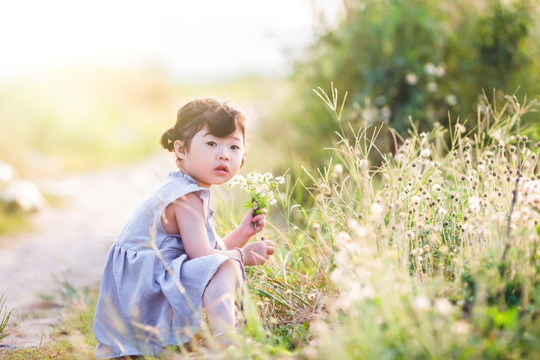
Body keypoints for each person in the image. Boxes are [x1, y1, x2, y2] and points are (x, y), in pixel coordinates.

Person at [93, 97, 276, 358]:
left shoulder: (187, 189)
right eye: (211, 143)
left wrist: (242, 233)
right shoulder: (186, 196)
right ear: (181, 149)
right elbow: (204, 258)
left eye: (234, 147)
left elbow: (204, 253)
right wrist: (243, 256)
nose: (224, 154)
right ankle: (226, 346)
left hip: (145, 287)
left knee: (222, 263)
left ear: (243, 156)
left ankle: (214, 341)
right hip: (143, 294)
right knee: (226, 266)